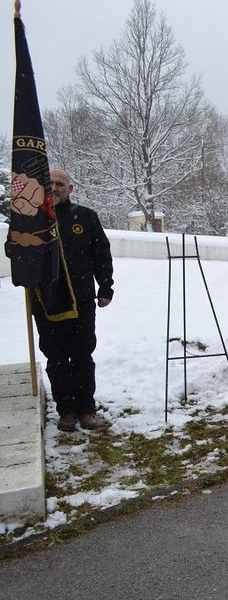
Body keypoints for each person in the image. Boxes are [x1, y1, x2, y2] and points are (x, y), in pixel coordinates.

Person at [8, 169, 114, 432]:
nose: (54, 188)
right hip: (46, 301)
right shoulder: (30, 218)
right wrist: (20, 240)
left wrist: (106, 287)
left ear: (70, 188)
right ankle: (66, 410)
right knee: (56, 357)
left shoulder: (86, 217)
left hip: (81, 300)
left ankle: (86, 409)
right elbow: (12, 250)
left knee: (82, 354)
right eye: (50, 184)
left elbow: (101, 254)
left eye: (60, 184)